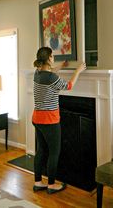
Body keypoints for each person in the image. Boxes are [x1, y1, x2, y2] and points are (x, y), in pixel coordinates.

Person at [32, 46, 86, 194]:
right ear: (49, 58)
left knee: (41, 151)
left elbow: (50, 72)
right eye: (53, 56)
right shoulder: (51, 78)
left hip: (37, 118)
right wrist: (78, 71)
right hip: (50, 120)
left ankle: (38, 182)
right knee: (54, 152)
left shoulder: (37, 73)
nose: (54, 58)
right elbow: (69, 86)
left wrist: (61, 66)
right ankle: (51, 185)